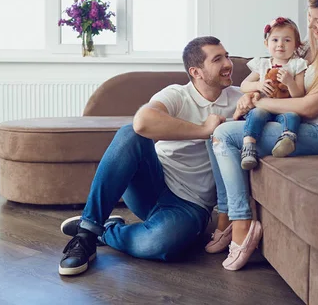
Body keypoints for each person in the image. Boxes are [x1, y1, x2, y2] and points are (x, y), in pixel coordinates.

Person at [207, 0, 318, 271]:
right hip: (298, 124)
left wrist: (258, 104)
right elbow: (277, 76)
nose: (313, 27)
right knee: (216, 134)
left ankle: (242, 223)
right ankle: (227, 215)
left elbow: (309, 106)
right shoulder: (314, 47)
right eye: (310, 18)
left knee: (225, 135)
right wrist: (253, 95)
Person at [57, 36, 241, 276]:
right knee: (130, 134)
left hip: (191, 206)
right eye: (218, 59)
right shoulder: (177, 94)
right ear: (196, 71)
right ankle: (86, 234)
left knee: (159, 244)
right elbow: (142, 122)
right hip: (152, 183)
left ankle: (107, 229)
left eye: (227, 56)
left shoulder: (240, 99)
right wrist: (204, 130)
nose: (228, 63)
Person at [237, 17, 307, 171]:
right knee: (256, 114)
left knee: (293, 116)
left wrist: (290, 82)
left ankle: (287, 140)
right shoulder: (262, 64)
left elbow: (299, 95)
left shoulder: (297, 65)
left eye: (287, 40)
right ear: (266, 44)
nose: (280, 44)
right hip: (265, 107)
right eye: (275, 40)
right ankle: (249, 146)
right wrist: (258, 84)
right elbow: (244, 85)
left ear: (296, 44)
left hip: (285, 107)